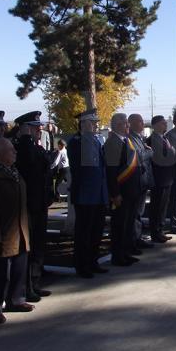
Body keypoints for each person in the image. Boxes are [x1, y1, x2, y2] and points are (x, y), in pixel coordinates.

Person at [0, 138, 32, 324]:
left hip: (19, 226)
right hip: (2, 230)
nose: (15, 153)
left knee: (19, 267)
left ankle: (16, 299)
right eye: (11, 150)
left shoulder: (13, 171)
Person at [13, 111, 52, 301]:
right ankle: (27, 287)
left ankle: (35, 283)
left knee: (38, 246)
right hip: (29, 205)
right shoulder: (22, 147)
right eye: (35, 128)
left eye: (39, 127)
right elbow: (27, 163)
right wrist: (26, 137)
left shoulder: (37, 147)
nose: (40, 130)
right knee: (29, 249)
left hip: (40, 202)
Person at [67, 109, 109, 278]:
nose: (95, 125)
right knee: (83, 231)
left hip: (98, 192)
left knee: (96, 230)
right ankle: (82, 265)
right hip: (85, 193)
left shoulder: (95, 140)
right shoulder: (76, 142)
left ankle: (93, 261)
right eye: (91, 122)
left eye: (95, 122)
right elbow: (80, 169)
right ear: (83, 124)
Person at [105, 113, 143, 266]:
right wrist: (115, 194)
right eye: (124, 124)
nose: (128, 126)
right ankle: (118, 256)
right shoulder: (112, 142)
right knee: (119, 225)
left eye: (127, 123)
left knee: (128, 224)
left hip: (131, 191)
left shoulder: (126, 141)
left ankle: (126, 252)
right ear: (115, 126)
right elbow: (111, 172)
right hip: (121, 192)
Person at [147, 115, 175, 243]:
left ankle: (160, 230)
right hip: (158, 178)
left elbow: (172, 153)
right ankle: (155, 232)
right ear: (156, 125)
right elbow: (159, 157)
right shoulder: (151, 140)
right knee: (156, 206)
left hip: (167, 177)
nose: (165, 125)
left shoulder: (165, 138)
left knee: (163, 206)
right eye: (163, 123)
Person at [128, 114, 154, 251]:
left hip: (143, 180)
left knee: (139, 212)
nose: (142, 124)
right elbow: (137, 156)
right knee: (134, 213)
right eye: (139, 121)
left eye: (142, 121)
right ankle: (133, 240)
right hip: (136, 181)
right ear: (131, 123)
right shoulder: (130, 138)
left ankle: (137, 237)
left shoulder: (138, 137)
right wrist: (150, 153)